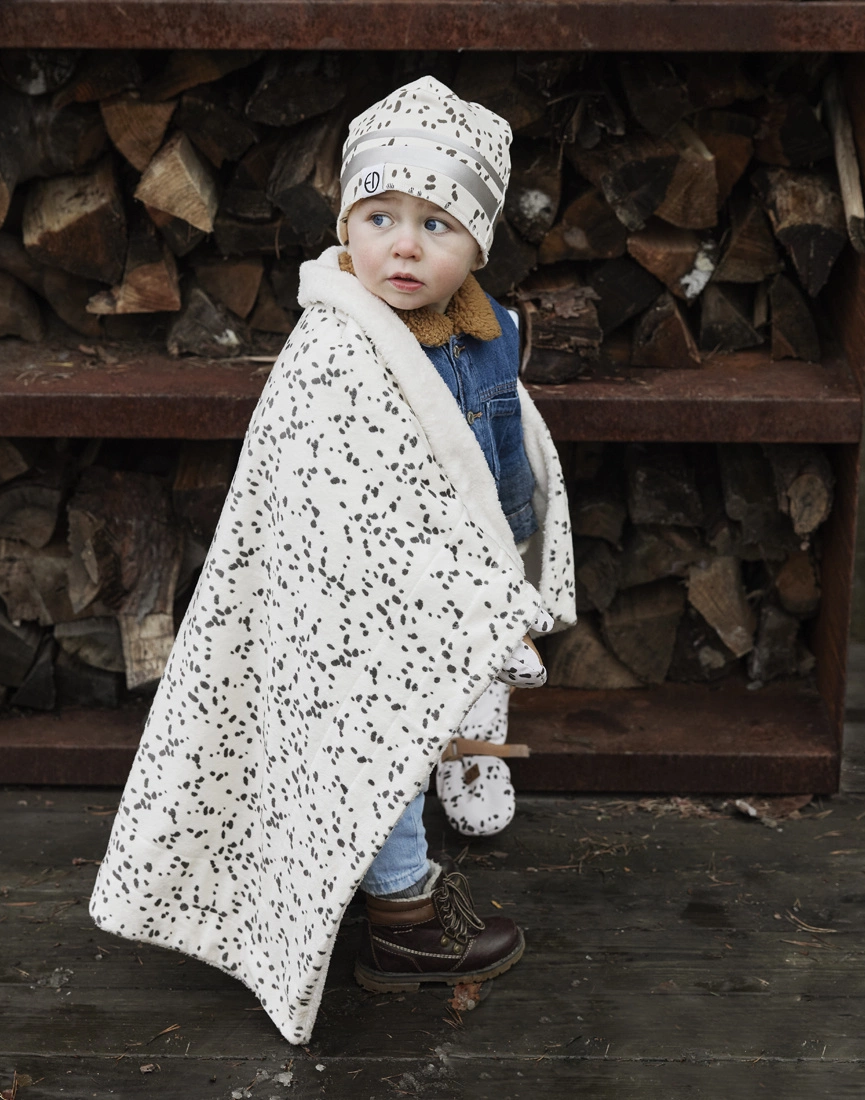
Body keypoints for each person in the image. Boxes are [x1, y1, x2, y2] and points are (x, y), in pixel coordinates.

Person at [90, 76, 575, 1046]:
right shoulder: (336, 348)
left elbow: (500, 448)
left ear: (479, 243)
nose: (404, 245)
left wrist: (509, 559)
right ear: (345, 223)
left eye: (437, 223)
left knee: (442, 704)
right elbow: (321, 504)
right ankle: (402, 916)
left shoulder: (486, 328)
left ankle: (461, 769)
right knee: (377, 741)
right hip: (355, 606)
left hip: (459, 569)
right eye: (379, 217)